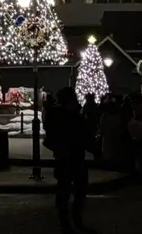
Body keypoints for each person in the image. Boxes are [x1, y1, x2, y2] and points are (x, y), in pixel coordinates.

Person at [45, 87, 89, 233]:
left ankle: (71, 220)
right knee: (67, 189)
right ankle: (69, 221)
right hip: (69, 156)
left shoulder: (60, 114)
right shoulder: (64, 115)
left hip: (70, 156)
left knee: (71, 189)